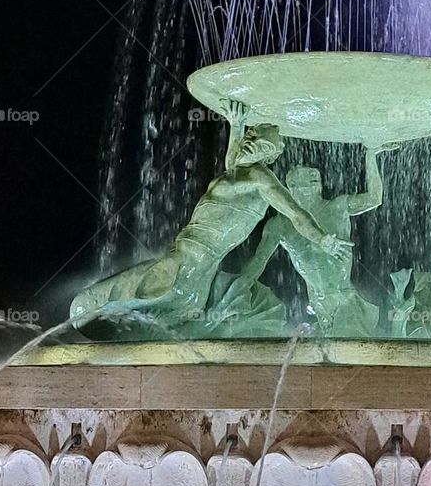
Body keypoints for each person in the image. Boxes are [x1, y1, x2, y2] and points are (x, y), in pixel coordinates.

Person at [70, 121, 349, 334]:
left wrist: (322, 239)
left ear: (266, 152)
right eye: (253, 139)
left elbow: (296, 213)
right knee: (99, 308)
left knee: (126, 313)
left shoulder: (255, 176)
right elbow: (238, 164)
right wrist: (236, 125)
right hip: (184, 269)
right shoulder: (244, 174)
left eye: (258, 143)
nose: (249, 145)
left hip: (190, 271)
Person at [211, 145, 392, 337]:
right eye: (307, 180)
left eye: (315, 179)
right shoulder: (280, 225)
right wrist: (233, 291)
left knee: (348, 345)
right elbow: (258, 262)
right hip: (318, 303)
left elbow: (374, 199)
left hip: (345, 299)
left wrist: (370, 155)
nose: (313, 183)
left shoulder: (338, 208)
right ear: (290, 186)